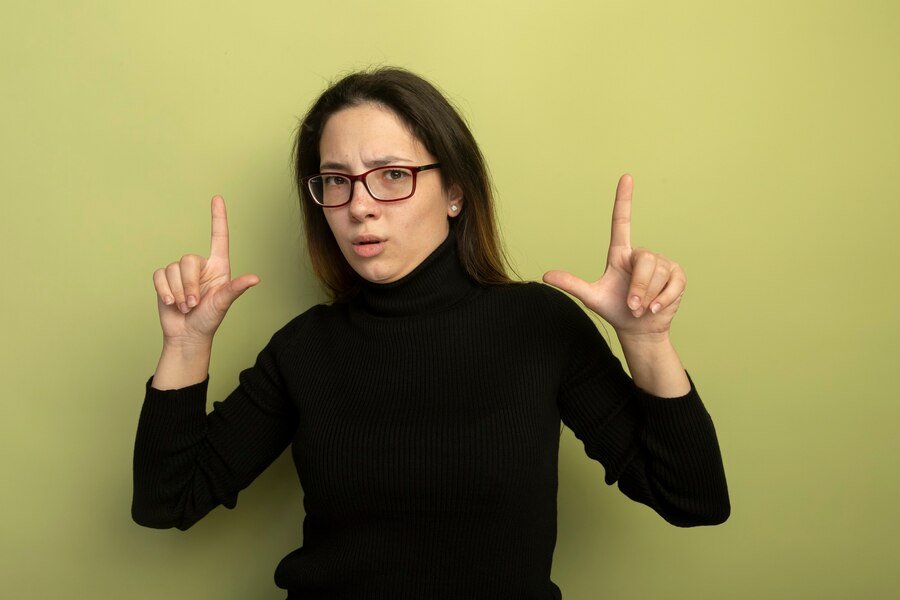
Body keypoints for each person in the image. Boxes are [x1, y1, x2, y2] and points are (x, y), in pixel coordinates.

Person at [133, 67, 730, 599]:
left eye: (392, 174)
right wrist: (186, 344)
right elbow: (168, 500)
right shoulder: (304, 349)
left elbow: (691, 499)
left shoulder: (540, 325)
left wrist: (647, 342)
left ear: (454, 193)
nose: (360, 206)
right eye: (336, 180)